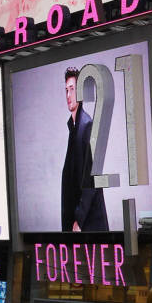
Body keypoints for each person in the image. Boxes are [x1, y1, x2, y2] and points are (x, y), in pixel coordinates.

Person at [61, 66, 109, 231]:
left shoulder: (86, 125)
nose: (68, 95)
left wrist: (79, 220)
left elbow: (92, 179)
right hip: (80, 224)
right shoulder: (74, 127)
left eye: (72, 89)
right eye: (66, 90)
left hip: (89, 226)